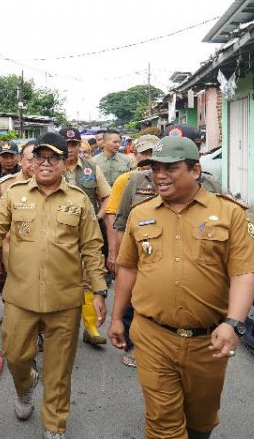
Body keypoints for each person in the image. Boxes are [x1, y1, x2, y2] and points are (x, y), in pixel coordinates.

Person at [108, 136, 254, 439]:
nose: (159, 176)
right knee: (163, 425)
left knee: (201, 421)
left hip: (208, 341)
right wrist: (116, 317)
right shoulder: (141, 213)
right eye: (155, 168)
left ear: (196, 170)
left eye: (170, 168)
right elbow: (129, 269)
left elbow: (243, 273)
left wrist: (234, 324)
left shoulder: (230, 214)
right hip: (152, 336)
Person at [0, 132, 107, 439]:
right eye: (39, 157)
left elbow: (93, 248)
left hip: (65, 300)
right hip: (20, 297)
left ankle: (55, 425)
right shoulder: (15, 194)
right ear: (31, 162)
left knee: (59, 370)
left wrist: (99, 290)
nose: (45, 163)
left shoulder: (79, 200)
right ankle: (25, 384)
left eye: (52, 158)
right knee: (16, 357)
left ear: (64, 163)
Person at [103, 134, 159, 367]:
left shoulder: (173, 180)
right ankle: (133, 343)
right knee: (133, 300)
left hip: (161, 253)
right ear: (135, 154)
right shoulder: (128, 181)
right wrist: (114, 254)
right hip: (135, 252)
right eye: (143, 153)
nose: (147, 158)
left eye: (152, 154)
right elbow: (117, 219)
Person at [60, 126, 112, 346]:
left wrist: (97, 217)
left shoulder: (92, 168)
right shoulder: (51, 166)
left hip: (87, 234)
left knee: (90, 278)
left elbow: (107, 197)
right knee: (60, 278)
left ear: (80, 145)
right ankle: (58, 329)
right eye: (66, 144)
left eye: (74, 144)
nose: (70, 149)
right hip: (59, 234)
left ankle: (90, 328)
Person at [0, 140, 35, 295]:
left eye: (39, 159)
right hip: (11, 259)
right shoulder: (6, 185)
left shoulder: (55, 186)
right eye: (30, 160)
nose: (35, 164)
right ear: (21, 161)